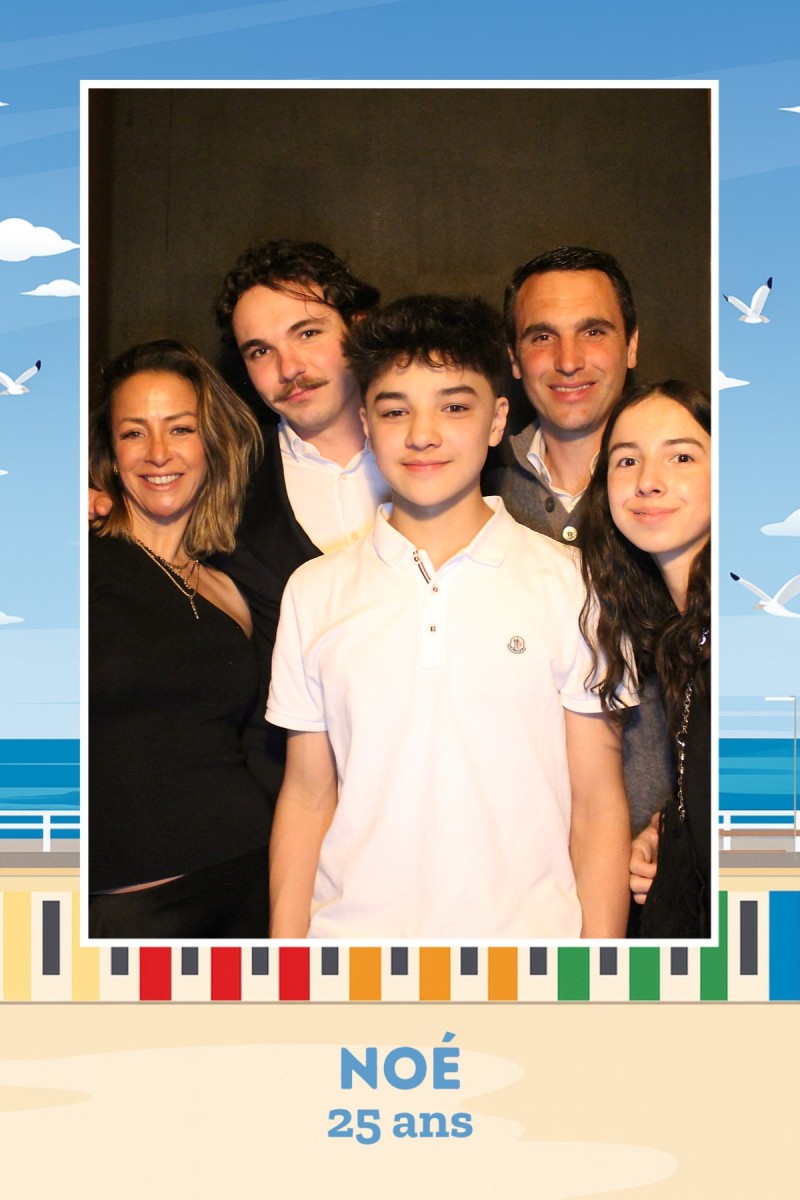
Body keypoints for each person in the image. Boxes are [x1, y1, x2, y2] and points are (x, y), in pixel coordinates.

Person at [266, 294, 631, 939]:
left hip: (528, 961)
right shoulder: (313, 592)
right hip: (350, 957)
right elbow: (306, 797)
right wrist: (285, 963)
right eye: (395, 410)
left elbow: (598, 806)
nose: (422, 434)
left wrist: (599, 975)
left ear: (497, 420)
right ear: (366, 422)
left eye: (454, 407)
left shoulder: (574, 583)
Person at [485, 245, 673, 844]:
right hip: (515, 862)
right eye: (542, 337)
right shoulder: (471, 486)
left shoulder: (687, 489)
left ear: (632, 344)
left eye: (593, 331)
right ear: (514, 358)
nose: (568, 361)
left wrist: (680, 824)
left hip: (666, 858)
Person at [89, 339, 272, 937]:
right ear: (111, 453)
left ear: (210, 443)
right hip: (126, 911)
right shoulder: (75, 563)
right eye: (133, 433)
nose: (158, 453)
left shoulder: (231, 590)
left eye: (181, 428)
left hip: (248, 880)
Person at [211, 240, 388, 798]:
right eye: (260, 351)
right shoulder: (223, 487)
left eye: (307, 333)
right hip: (285, 797)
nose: (289, 369)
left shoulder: (449, 457)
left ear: (358, 327)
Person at [579, 380, 711, 938]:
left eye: (681, 457)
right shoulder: (683, 639)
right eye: (627, 460)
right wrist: (676, 829)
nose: (648, 481)